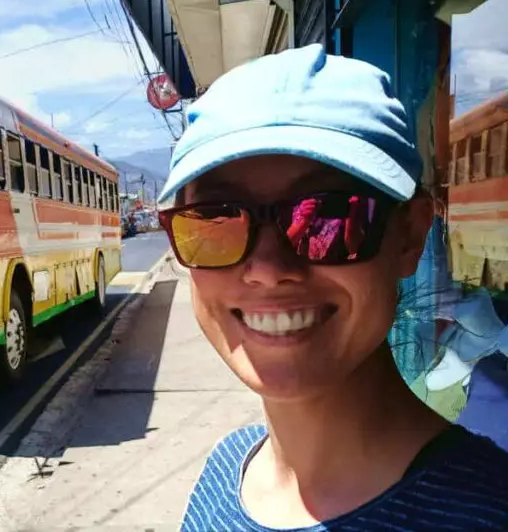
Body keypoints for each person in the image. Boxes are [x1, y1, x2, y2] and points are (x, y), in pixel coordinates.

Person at [158, 44, 508, 531]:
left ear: (408, 235)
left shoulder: (490, 513)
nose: (266, 268)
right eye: (216, 221)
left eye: (326, 216)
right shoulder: (220, 477)